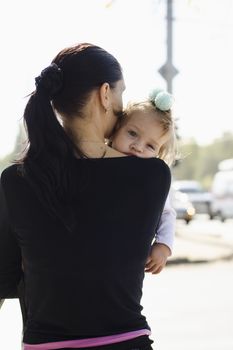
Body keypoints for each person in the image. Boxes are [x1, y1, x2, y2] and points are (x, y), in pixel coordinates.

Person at [0, 43, 172, 350]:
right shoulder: (152, 176)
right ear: (105, 94)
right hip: (125, 342)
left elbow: (6, 277)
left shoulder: (16, 180)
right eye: (121, 93)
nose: (122, 106)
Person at [109, 89, 177, 275]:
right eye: (132, 133)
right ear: (116, 130)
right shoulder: (98, 161)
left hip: (126, 264)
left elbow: (167, 213)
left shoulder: (151, 178)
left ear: (158, 152)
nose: (137, 147)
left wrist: (163, 245)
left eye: (150, 146)